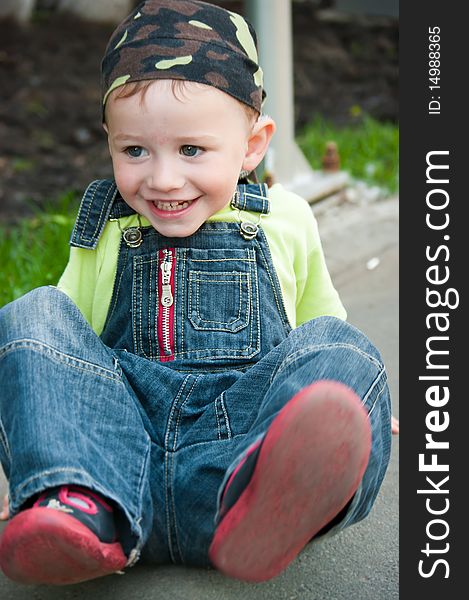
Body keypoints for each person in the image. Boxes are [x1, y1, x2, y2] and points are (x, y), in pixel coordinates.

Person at [0, 0, 395, 586]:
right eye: (134, 151)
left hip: (234, 461)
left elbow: (320, 326)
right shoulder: (104, 226)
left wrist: (354, 404)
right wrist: (47, 447)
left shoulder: (284, 218)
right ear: (110, 141)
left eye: (192, 150)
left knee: (346, 350)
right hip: (117, 461)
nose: (162, 179)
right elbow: (62, 363)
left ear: (253, 145)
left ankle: (277, 495)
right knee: (33, 313)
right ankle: (72, 499)